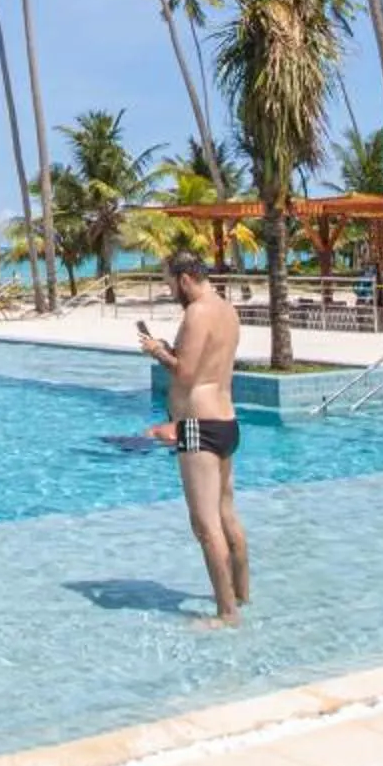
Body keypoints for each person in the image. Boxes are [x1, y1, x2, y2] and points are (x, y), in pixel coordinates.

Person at [135, 252, 250, 627]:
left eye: (170, 282)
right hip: (227, 420)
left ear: (186, 279)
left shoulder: (197, 312)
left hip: (199, 425)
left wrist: (157, 352)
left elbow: (185, 373)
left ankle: (226, 613)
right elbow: (204, 365)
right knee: (227, 512)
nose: (171, 291)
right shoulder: (226, 310)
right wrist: (171, 351)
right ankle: (242, 594)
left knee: (205, 524)